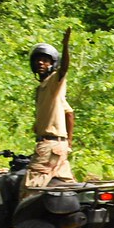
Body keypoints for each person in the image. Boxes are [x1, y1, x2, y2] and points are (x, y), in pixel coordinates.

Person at [22, 28, 76, 196]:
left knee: (29, 190)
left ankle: (25, 222)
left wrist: (65, 46)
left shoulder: (54, 81)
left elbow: (64, 69)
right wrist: (68, 142)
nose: (41, 63)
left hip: (49, 146)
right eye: (38, 60)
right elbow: (69, 113)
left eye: (45, 60)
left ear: (53, 63)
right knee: (68, 189)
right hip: (58, 147)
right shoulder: (45, 90)